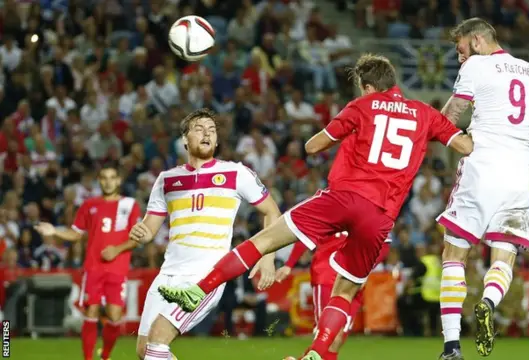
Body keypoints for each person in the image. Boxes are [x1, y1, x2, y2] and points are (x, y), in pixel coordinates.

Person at [154, 53, 474, 360]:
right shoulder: (424, 113)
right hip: (381, 219)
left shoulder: (362, 106)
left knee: (264, 241)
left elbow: (313, 146)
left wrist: (347, 132)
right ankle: (316, 354)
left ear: (366, 86)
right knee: (345, 293)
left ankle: (197, 290)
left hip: (343, 199)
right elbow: (465, 145)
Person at [435, 18, 529, 360]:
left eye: (460, 50)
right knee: (504, 255)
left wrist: (427, 131)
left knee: (454, 253)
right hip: (520, 176)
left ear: (475, 41)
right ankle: (488, 302)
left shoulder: (476, 65)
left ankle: (452, 346)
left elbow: (452, 115)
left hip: (482, 166)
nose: (460, 58)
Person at [126, 109, 281, 360]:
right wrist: (140, 232)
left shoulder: (236, 173)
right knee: (145, 351)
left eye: (212, 130)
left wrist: (268, 257)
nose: (207, 133)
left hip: (205, 275)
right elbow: (149, 230)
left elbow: (272, 212)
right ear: (184, 140)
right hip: (167, 275)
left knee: (157, 343)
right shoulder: (166, 180)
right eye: (199, 129)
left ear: (217, 141)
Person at [34, 163, 141, 360]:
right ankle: (88, 358)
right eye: (104, 178)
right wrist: (55, 231)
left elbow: (137, 238)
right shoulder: (89, 205)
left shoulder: (129, 205)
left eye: (112, 178)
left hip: (118, 269)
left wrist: (116, 250)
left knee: (115, 316)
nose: (108, 182)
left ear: (118, 180)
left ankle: (105, 355)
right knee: (91, 310)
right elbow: (76, 234)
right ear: (99, 181)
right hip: (93, 267)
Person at [277, 232, 392, 360]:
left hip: (353, 279)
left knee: (338, 339)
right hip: (326, 275)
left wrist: (367, 268)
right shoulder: (326, 212)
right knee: (329, 337)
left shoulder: (373, 215)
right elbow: (306, 235)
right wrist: (289, 264)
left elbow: (385, 244)